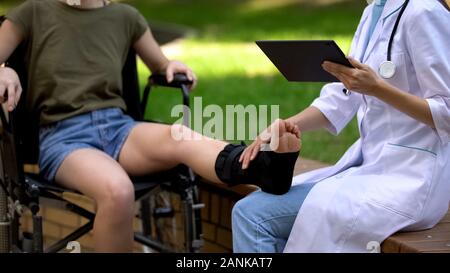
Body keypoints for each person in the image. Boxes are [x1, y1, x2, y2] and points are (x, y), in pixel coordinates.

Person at [0, 0, 301, 252]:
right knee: (117, 190)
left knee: (179, 136)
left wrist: (170, 66)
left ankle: (257, 168)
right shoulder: (33, 12)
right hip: (63, 138)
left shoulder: (125, 16)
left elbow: (161, 64)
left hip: (118, 128)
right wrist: (5, 70)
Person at [233, 0, 450, 252]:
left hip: (411, 181)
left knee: (253, 216)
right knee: (255, 213)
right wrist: (287, 125)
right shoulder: (373, 12)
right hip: (370, 169)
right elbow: (343, 94)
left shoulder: (424, 11)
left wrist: (377, 88)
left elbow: (446, 110)